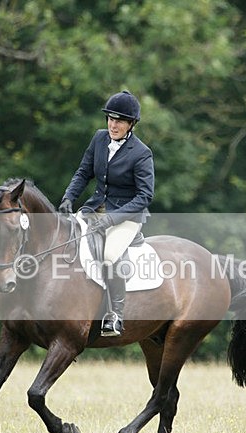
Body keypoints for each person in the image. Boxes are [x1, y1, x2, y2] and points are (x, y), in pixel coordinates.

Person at [58, 90, 154, 336]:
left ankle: (116, 316)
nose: (113, 125)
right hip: (95, 208)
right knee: (65, 241)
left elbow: (145, 196)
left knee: (110, 255)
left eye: (120, 120)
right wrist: (69, 197)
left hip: (127, 216)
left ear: (131, 124)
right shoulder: (99, 139)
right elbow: (83, 173)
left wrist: (112, 219)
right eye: (110, 119)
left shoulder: (141, 153)